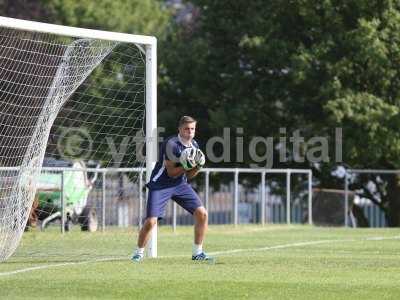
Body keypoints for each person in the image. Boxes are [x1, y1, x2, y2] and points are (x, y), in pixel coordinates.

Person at [132, 116, 213, 262]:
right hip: (161, 184)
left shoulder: (194, 145)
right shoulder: (171, 144)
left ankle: (197, 253)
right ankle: (138, 253)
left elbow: (189, 175)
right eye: (186, 129)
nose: (190, 132)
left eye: (192, 129)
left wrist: (198, 166)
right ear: (180, 129)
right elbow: (171, 172)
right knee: (151, 221)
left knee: (202, 214)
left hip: (180, 184)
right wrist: (187, 165)